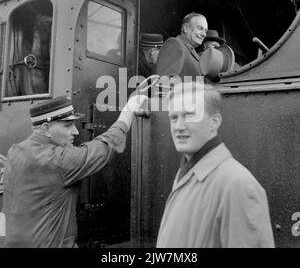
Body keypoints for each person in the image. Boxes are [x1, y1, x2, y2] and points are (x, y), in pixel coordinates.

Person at [3, 94, 147, 248]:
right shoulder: (59, 161)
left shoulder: (14, 151)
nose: (76, 132)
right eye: (67, 125)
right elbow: (106, 144)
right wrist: (129, 108)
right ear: (46, 128)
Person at [156, 82, 275, 248]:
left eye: (190, 115)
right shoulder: (187, 174)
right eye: (174, 117)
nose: (179, 126)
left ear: (214, 122)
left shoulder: (238, 185)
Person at [155, 13, 208, 80]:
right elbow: (165, 83)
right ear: (185, 28)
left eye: (205, 31)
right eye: (200, 28)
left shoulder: (190, 50)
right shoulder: (174, 44)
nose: (204, 34)